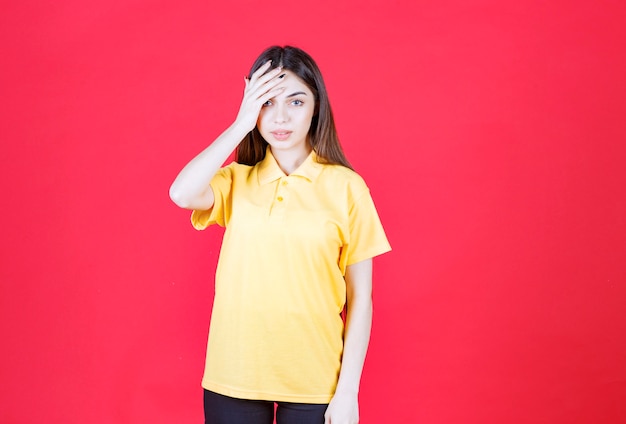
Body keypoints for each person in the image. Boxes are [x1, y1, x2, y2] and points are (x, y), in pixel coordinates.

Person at [169, 45, 391, 424]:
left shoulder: (348, 188)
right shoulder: (236, 180)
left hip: (316, 380)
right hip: (234, 375)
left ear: (316, 106)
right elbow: (181, 193)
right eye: (267, 103)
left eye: (295, 101)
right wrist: (241, 122)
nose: (281, 117)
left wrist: (348, 393)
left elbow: (361, 299)